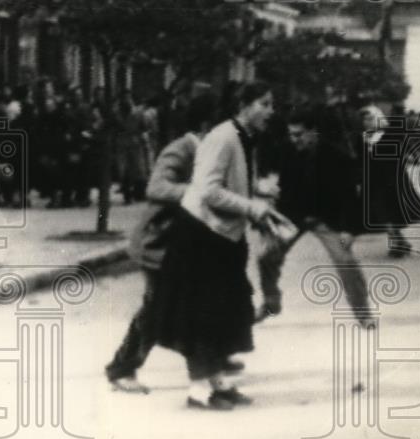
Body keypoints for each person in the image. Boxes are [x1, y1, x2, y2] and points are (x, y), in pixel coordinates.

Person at [151, 82, 294, 410]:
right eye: (265, 103)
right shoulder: (223, 136)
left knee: (225, 312)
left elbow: (230, 186)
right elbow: (207, 191)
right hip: (201, 236)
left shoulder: (243, 137)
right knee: (203, 314)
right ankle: (199, 391)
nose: (271, 111)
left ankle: (217, 383)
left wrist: (258, 200)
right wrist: (251, 207)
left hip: (222, 236)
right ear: (244, 104)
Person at [105, 93, 220, 393]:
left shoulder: (207, 152)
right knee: (156, 309)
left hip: (180, 246)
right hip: (158, 244)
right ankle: (121, 369)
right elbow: (157, 186)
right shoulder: (181, 149)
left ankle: (208, 365)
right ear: (207, 125)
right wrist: (198, 191)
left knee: (190, 306)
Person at [255, 106, 366, 321]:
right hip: (295, 215)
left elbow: (350, 198)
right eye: (291, 134)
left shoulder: (337, 156)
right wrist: (273, 221)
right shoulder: (287, 150)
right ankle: (270, 302)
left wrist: (348, 230)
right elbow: (283, 189)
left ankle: (363, 312)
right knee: (266, 255)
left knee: (345, 260)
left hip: (327, 218)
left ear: (313, 132)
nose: (293, 139)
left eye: (298, 135)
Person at [358, 104, 420, 257]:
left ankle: (397, 242)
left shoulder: (388, 133)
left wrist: (411, 158)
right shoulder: (364, 136)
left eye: (370, 118)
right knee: (382, 212)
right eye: (364, 120)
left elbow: (400, 150)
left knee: (389, 212)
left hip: (390, 179)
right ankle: (399, 242)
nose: (367, 122)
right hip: (373, 180)